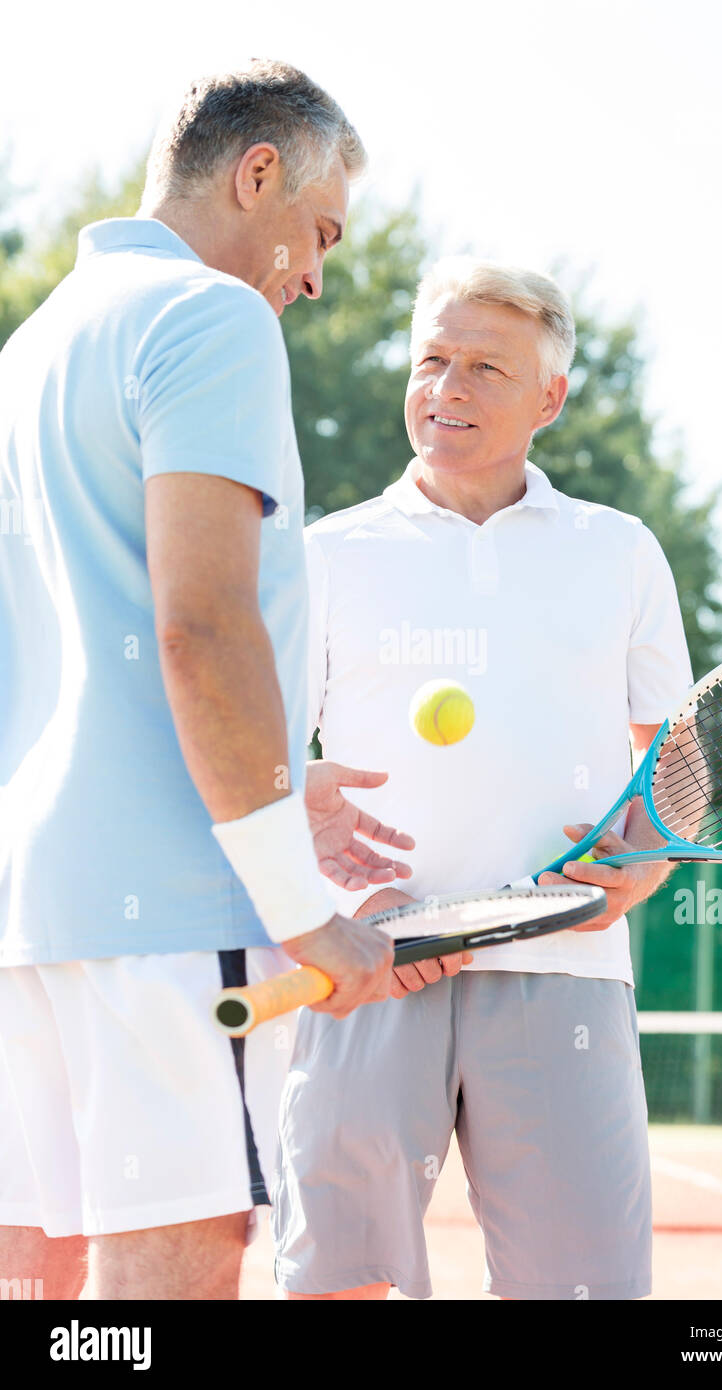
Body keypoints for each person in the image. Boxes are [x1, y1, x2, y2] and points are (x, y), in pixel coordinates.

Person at [0, 59, 407, 1302]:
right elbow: (198, 626)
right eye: (320, 231)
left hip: (33, 901)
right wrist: (297, 900)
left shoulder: (31, 346)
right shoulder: (209, 318)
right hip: (170, 900)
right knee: (174, 1258)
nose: (318, 274)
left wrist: (282, 777)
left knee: (42, 1261)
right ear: (259, 173)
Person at [271, 258, 693, 1301]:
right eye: (432, 360)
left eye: (483, 368)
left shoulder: (620, 551)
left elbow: (674, 760)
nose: (446, 389)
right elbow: (261, 765)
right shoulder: (323, 555)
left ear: (547, 398)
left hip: (567, 978)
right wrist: (332, 900)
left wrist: (640, 867)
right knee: (337, 1286)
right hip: (366, 965)